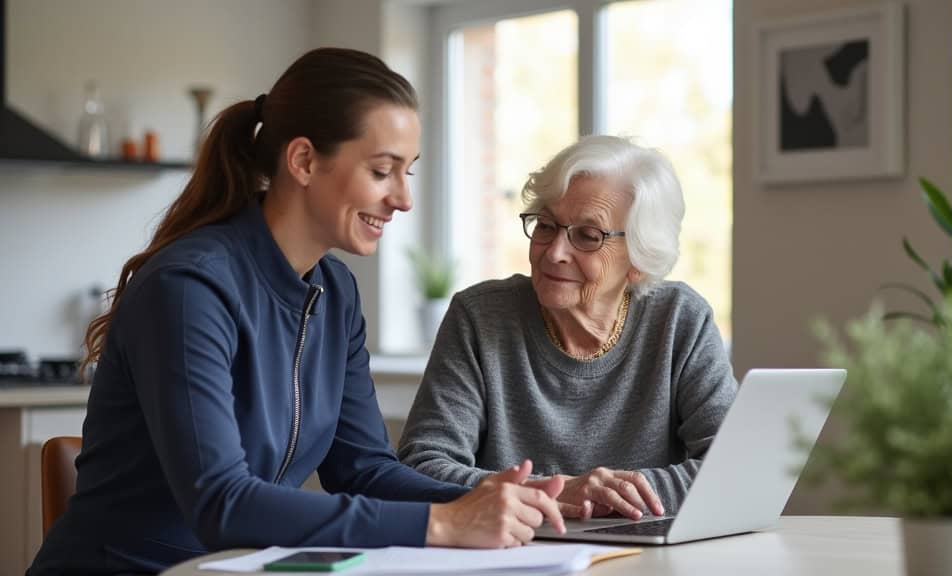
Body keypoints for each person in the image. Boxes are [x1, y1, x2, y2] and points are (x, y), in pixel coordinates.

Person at [28, 48, 567, 576]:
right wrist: (444, 523)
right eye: (383, 171)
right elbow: (223, 503)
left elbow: (362, 469)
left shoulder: (335, 291)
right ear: (304, 161)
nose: (403, 199)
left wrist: (488, 497)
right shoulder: (189, 287)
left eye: (409, 172)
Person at [398, 135, 738, 520]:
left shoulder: (681, 321)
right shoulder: (480, 316)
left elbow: (734, 468)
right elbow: (420, 467)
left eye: (588, 236)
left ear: (640, 258)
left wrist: (607, 495)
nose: (555, 252)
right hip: (515, 554)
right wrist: (556, 493)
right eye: (546, 226)